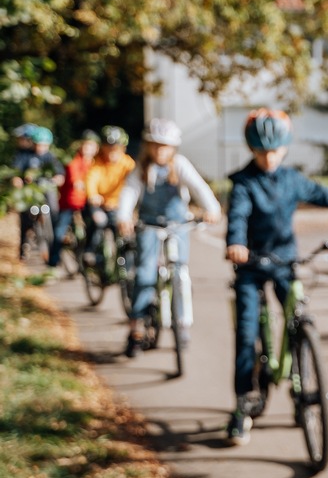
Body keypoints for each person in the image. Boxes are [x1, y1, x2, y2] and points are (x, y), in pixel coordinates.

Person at [224, 108, 328, 445]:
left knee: (298, 314)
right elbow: (237, 216)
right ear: (252, 150)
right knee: (247, 332)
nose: (269, 158)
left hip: (284, 261)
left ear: (285, 148)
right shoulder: (243, 183)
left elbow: (326, 195)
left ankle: (299, 379)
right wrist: (235, 242)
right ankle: (241, 406)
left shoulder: (292, 179)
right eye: (262, 152)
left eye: (275, 151)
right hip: (251, 264)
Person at [116, 119, 222, 357]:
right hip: (149, 225)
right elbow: (129, 192)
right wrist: (124, 216)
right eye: (155, 145)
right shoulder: (141, 168)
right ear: (148, 146)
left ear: (174, 148)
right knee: (144, 273)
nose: (160, 151)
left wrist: (212, 208)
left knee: (180, 272)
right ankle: (136, 329)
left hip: (178, 225)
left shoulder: (180, 165)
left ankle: (183, 323)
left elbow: (199, 188)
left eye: (165, 146)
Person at [47, 129, 100, 275]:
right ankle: (53, 263)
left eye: (91, 146)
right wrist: (80, 183)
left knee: (96, 225)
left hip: (87, 201)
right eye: (86, 145)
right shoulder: (74, 161)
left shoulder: (96, 163)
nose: (88, 149)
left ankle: (90, 255)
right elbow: (74, 177)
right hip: (70, 202)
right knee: (60, 231)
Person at [85, 126, 137, 268]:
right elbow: (91, 179)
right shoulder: (98, 162)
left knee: (124, 233)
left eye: (116, 149)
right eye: (108, 148)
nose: (112, 153)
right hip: (99, 203)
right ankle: (90, 252)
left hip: (118, 204)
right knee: (99, 221)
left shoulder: (128, 164)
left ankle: (127, 264)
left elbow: (136, 181)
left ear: (123, 149)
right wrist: (93, 195)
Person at [11, 125, 64, 261]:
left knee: (54, 209)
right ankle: (24, 244)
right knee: (26, 217)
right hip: (31, 192)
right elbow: (16, 171)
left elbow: (60, 173)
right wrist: (17, 180)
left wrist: (58, 179)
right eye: (38, 145)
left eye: (44, 145)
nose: (40, 148)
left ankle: (58, 237)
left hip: (46, 190)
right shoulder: (25, 155)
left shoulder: (51, 157)